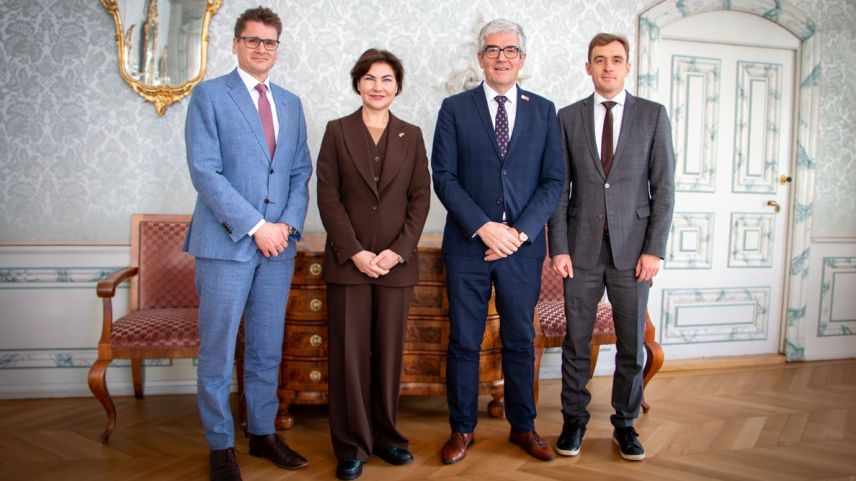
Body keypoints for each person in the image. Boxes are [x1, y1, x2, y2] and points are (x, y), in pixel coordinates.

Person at [183, 6, 312, 481]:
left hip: (279, 248)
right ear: (235, 44)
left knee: (265, 348)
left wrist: (286, 226)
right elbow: (205, 171)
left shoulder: (292, 103)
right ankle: (221, 445)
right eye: (253, 40)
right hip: (227, 245)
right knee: (218, 351)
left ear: (278, 48)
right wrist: (258, 225)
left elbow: (300, 171)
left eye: (270, 42)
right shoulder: (210, 96)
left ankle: (262, 433)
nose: (262, 48)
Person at [431, 18, 564, 465]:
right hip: (468, 245)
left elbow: (553, 181)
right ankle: (461, 429)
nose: (501, 57)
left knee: (520, 340)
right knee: (465, 341)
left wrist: (520, 232)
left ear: (522, 59)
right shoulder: (454, 108)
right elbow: (444, 177)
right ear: (480, 58)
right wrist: (485, 227)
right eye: (493, 50)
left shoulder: (544, 111)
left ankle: (523, 427)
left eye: (510, 50)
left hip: (522, 250)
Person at [547, 33, 675, 462]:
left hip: (634, 253)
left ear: (627, 67)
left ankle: (625, 424)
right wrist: (559, 248)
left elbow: (664, 189)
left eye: (616, 60)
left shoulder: (653, 116)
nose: (607, 67)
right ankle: (574, 420)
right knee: (576, 342)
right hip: (579, 252)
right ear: (588, 67)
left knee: (630, 344)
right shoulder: (567, 118)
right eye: (599, 60)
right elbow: (557, 191)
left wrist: (654, 250)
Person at [316, 48, 431, 480]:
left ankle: (387, 438)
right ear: (357, 83)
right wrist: (356, 252)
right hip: (349, 263)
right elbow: (327, 196)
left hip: (397, 264)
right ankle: (351, 445)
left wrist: (399, 250)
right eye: (369, 78)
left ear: (397, 86)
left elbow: (421, 197)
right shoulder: (337, 131)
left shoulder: (412, 134)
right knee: (348, 357)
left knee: (387, 355)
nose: (377, 86)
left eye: (386, 79)